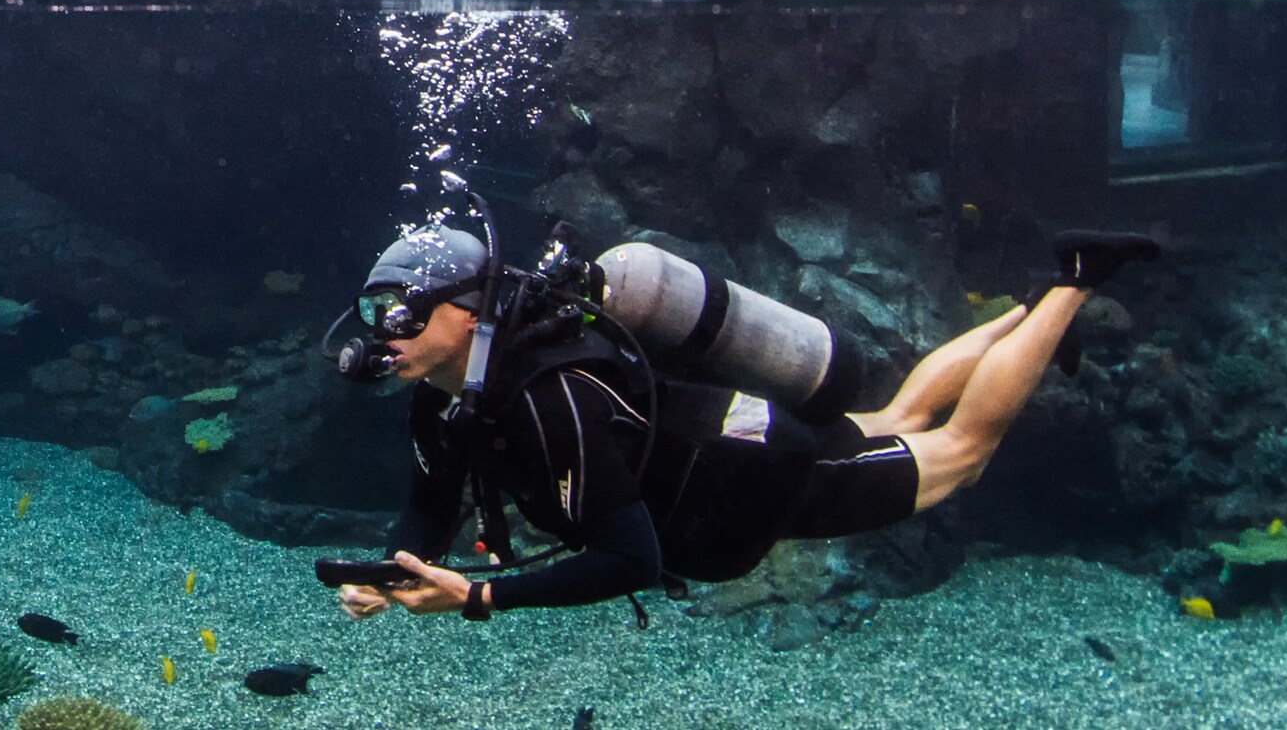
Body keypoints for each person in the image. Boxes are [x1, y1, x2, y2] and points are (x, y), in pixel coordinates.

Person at [331, 224, 1154, 622]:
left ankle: (1075, 282)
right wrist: (401, 566)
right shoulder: (445, 392)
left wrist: (476, 595)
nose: (383, 334)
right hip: (724, 438)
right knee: (904, 412)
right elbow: (432, 499)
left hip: (758, 479)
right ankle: (1037, 317)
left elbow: (631, 557)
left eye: (403, 313)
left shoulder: (551, 395)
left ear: (471, 315)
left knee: (962, 451)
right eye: (375, 313)